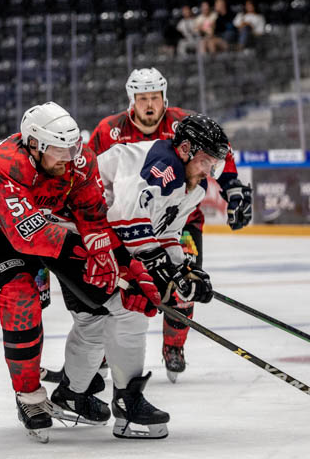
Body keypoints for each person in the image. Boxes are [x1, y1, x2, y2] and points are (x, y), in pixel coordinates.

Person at [0, 101, 159, 442]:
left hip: (35, 224)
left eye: (72, 147)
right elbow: (31, 236)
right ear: (33, 145)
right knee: (20, 295)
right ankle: (29, 397)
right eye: (59, 150)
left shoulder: (79, 158)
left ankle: (75, 389)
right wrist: (92, 260)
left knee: (93, 298)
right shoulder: (3, 164)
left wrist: (127, 266)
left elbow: (92, 219)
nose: (69, 157)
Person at [46, 113, 229, 439]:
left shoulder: (191, 187)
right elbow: (126, 218)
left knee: (92, 320)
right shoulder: (162, 165)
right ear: (185, 148)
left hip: (89, 234)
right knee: (130, 308)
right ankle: (128, 406)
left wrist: (183, 268)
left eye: (213, 165)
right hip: (73, 231)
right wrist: (161, 271)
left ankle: (71, 395)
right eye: (205, 161)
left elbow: (167, 231)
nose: (208, 171)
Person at [87, 67, 252, 381]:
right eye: (142, 98)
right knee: (121, 284)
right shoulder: (109, 130)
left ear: (165, 98)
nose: (150, 105)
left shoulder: (185, 124)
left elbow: (219, 153)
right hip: (130, 219)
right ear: (131, 101)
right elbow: (95, 177)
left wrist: (232, 187)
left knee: (182, 280)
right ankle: (105, 349)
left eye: (155, 98)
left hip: (178, 219)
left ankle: (174, 345)